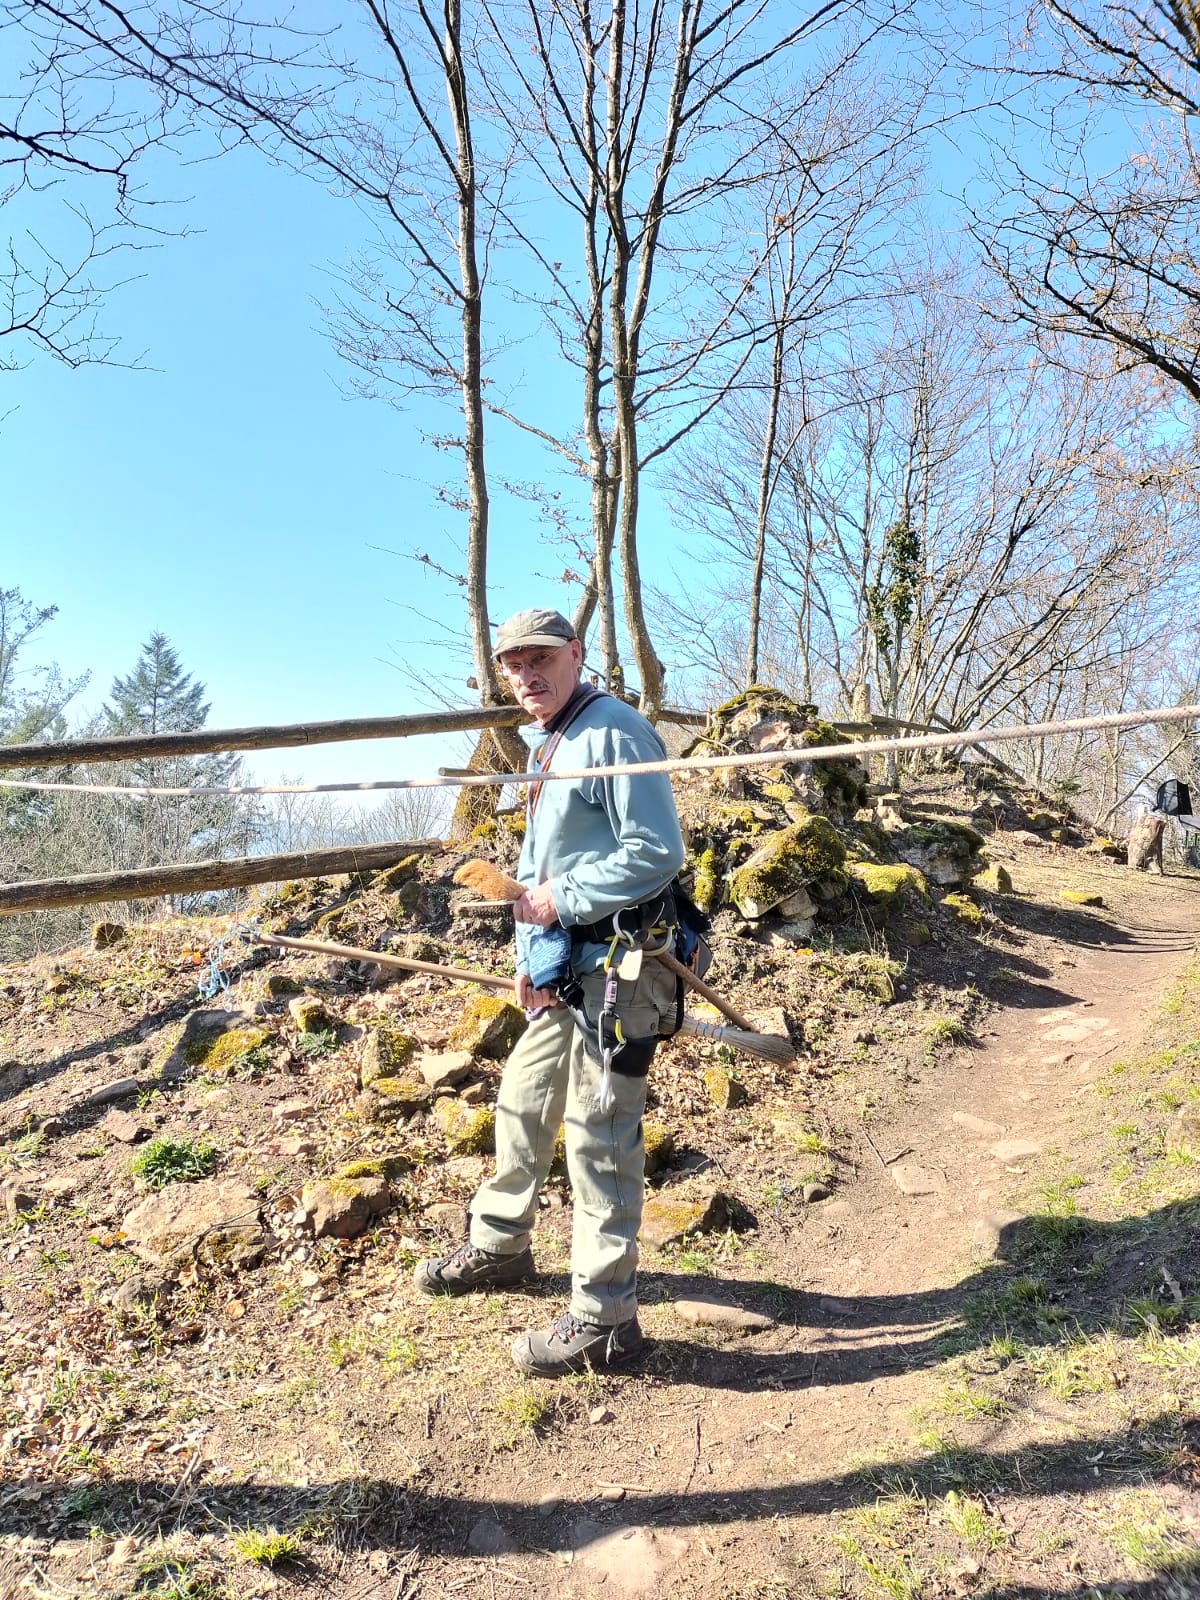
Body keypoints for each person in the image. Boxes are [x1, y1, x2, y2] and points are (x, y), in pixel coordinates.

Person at [415, 607, 686, 1377]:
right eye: (513, 665)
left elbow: (657, 851)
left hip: (619, 968)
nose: (526, 675)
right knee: (523, 1101)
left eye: (540, 659)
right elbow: (541, 865)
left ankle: (606, 1320)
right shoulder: (551, 741)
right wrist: (532, 957)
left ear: (576, 654)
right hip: (564, 967)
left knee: (599, 1135)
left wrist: (561, 900)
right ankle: (502, 1244)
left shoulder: (614, 733)